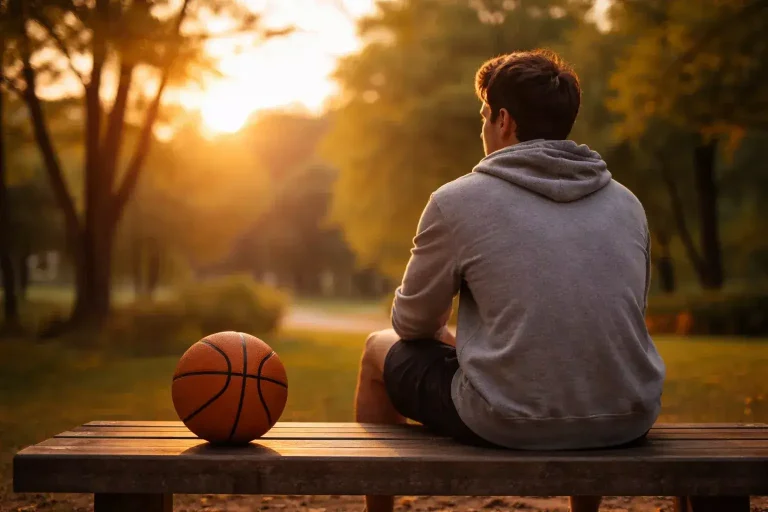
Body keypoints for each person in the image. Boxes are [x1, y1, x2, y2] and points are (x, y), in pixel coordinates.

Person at [353, 49, 666, 512]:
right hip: (628, 415)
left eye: (483, 116)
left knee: (376, 349)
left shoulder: (457, 200)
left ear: (504, 120)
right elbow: (611, 319)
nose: (481, 128)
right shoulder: (628, 204)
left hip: (508, 418)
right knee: (585, 370)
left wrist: (452, 340)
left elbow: (412, 324)